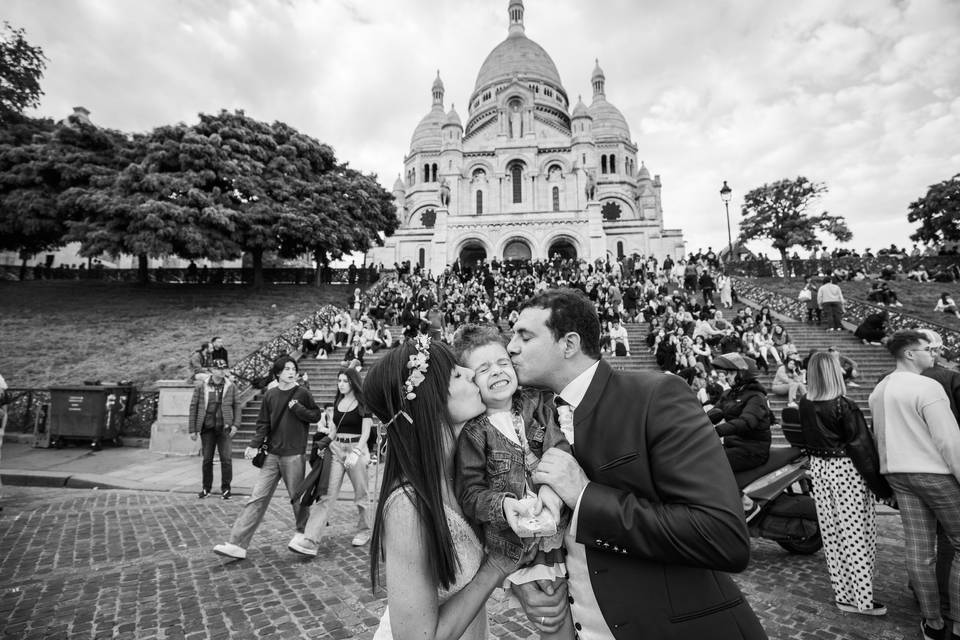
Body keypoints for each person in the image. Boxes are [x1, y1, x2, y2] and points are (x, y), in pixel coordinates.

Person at [506, 288, 765, 639]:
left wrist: (585, 497)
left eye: (525, 336)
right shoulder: (536, 417)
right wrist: (531, 581)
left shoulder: (656, 396)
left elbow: (722, 535)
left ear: (568, 344)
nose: (511, 347)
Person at [364, 336, 533, 639]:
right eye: (457, 374)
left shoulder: (467, 477)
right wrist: (495, 567)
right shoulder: (407, 506)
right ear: (431, 401)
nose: (471, 373)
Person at [452, 325, 573, 638]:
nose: (496, 371)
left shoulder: (537, 404)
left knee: (576, 612)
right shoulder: (474, 433)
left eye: (502, 362)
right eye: (483, 368)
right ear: (470, 380)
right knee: (553, 619)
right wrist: (503, 506)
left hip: (561, 532)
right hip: (517, 547)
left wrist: (550, 490)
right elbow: (470, 493)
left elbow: (556, 444)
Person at [870, 330, 960, 640]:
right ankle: (958, 624)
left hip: (898, 473)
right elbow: (949, 440)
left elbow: (878, 436)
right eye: (928, 348)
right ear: (910, 353)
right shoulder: (927, 386)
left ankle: (933, 623)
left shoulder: (879, 390)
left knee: (920, 550)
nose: (934, 353)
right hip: (935, 473)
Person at [797, 352, 892, 616]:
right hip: (846, 470)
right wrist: (883, 490)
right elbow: (863, 450)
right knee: (857, 535)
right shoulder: (844, 405)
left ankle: (844, 595)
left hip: (820, 469)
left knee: (833, 535)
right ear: (833, 373)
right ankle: (861, 599)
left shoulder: (805, 402)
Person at [213, 356, 321, 560]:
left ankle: (305, 536)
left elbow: (315, 416)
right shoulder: (270, 395)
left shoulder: (303, 393)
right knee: (257, 498)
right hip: (272, 454)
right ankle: (237, 544)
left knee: (297, 499)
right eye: (287, 369)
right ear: (278, 373)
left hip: (293, 454)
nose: (291, 371)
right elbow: (263, 423)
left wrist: (298, 409)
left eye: (293, 368)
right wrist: (254, 445)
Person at [290, 367, 374, 555]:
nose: (341, 384)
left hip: (356, 449)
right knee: (326, 493)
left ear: (353, 382)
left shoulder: (363, 402)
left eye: (345, 381)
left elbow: (367, 431)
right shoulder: (338, 401)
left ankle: (364, 530)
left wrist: (358, 452)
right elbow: (334, 430)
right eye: (339, 381)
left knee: (361, 493)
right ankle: (311, 539)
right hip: (336, 448)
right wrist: (325, 445)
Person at [708, 353, 773, 472]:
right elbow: (713, 413)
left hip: (752, 450)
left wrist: (716, 431)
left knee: (712, 465)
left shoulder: (757, 397)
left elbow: (746, 422)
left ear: (743, 374)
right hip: (732, 445)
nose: (727, 377)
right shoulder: (729, 394)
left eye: (732, 373)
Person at [188, 359, 239, 499]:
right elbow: (194, 407)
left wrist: (235, 424)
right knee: (207, 459)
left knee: (226, 459)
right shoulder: (201, 386)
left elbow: (237, 405)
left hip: (224, 428)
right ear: (211, 370)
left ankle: (226, 488)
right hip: (207, 427)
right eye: (218, 368)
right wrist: (192, 429)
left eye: (224, 368)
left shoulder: (231, 386)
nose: (222, 371)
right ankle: (206, 488)